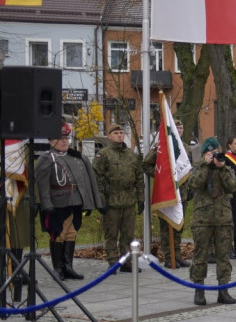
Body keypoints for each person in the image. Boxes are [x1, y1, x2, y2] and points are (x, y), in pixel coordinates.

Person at [34, 123, 104, 281]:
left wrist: (90, 201)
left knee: (71, 233)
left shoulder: (76, 157)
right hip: (57, 202)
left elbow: (86, 181)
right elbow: (41, 185)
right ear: (52, 142)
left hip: (75, 200)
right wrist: (46, 204)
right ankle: (58, 268)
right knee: (58, 234)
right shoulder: (47, 158)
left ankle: (68, 267)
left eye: (66, 138)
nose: (65, 141)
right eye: (61, 138)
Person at [182, 138, 236, 306]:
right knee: (200, 255)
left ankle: (224, 290)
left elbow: (234, 186)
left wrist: (222, 168)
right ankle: (199, 290)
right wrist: (206, 165)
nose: (215, 156)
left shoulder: (226, 168)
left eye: (217, 152)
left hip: (223, 219)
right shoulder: (199, 168)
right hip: (203, 219)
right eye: (211, 153)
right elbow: (194, 184)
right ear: (206, 154)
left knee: (224, 256)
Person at [93, 125, 144, 272]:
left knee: (128, 234)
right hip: (111, 200)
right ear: (109, 136)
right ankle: (113, 262)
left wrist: (141, 198)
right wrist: (100, 199)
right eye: (116, 133)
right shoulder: (103, 154)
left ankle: (127, 261)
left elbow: (139, 178)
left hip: (128, 200)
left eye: (121, 133)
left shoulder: (131, 155)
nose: (119, 135)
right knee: (111, 234)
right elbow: (97, 177)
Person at [142, 119, 190, 269]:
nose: (179, 130)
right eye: (176, 127)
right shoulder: (160, 147)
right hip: (166, 193)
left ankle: (178, 256)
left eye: (181, 127)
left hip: (182, 193)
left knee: (178, 225)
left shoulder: (184, 147)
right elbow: (146, 165)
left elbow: (189, 169)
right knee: (166, 227)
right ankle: (169, 258)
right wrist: (162, 177)